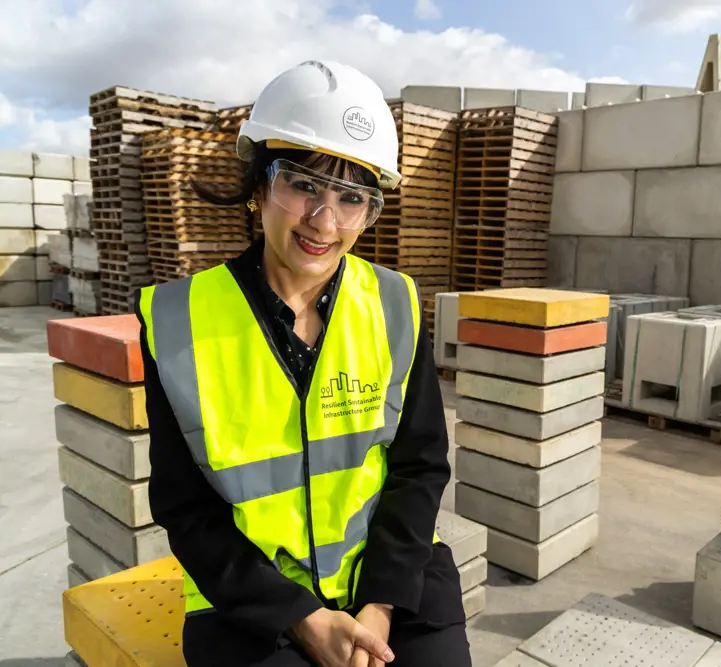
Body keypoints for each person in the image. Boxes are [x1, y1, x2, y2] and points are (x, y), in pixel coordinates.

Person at [133, 60, 472, 667]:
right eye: (304, 185)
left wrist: (382, 603)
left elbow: (419, 466)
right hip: (248, 598)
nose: (325, 221)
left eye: (352, 198)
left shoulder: (396, 303)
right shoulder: (179, 320)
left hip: (390, 576)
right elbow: (186, 508)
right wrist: (302, 618)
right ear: (260, 184)